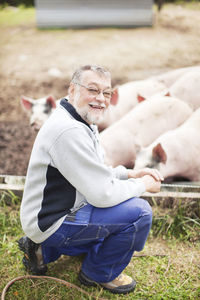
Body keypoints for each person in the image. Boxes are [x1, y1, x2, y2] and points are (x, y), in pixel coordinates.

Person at [18, 65, 163, 294]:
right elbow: (102, 194)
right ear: (73, 89)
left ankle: (41, 250)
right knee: (139, 213)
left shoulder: (75, 116)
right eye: (93, 90)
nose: (101, 99)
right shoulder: (69, 131)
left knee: (110, 220)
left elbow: (92, 170)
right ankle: (98, 273)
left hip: (46, 213)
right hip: (53, 219)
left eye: (106, 93)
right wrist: (142, 184)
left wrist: (128, 173)